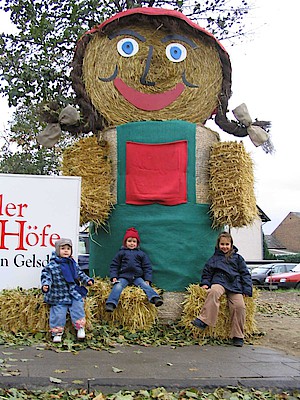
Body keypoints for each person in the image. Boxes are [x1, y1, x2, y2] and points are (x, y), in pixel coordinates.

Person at [191, 231, 252, 347]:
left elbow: (245, 274)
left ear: (231, 245)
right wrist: (205, 283)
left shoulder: (238, 258)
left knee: (239, 306)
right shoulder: (214, 259)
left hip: (235, 285)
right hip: (219, 281)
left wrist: (247, 289)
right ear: (218, 245)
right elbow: (207, 273)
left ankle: (238, 336)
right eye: (222, 244)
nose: (224, 247)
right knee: (213, 292)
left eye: (227, 244)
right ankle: (204, 320)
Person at [41, 238, 94, 343]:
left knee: (78, 305)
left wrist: (87, 280)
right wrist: (46, 284)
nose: (66, 251)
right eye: (63, 248)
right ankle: (57, 333)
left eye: (68, 249)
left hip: (72, 292)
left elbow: (80, 274)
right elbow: (46, 276)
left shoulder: (72, 263)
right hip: (58, 294)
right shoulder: (52, 265)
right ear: (57, 250)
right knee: (58, 312)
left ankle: (80, 328)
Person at [105, 227, 163, 312]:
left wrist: (147, 279)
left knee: (145, 285)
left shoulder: (141, 254)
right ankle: (111, 303)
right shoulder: (121, 253)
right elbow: (114, 265)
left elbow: (147, 267)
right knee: (118, 286)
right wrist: (114, 276)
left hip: (137, 277)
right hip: (124, 276)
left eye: (134, 241)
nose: (132, 243)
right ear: (125, 242)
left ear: (137, 243)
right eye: (129, 241)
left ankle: (155, 298)